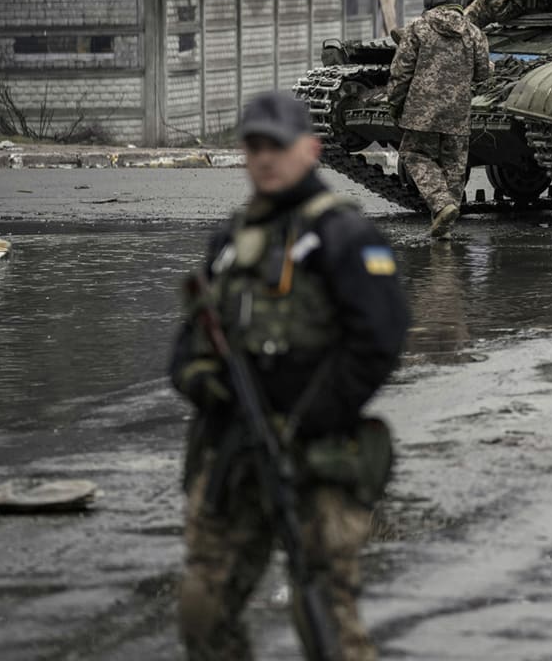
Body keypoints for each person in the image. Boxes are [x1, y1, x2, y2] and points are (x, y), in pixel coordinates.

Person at [169, 89, 411, 661]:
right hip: (235, 451)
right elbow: (190, 342)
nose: (264, 159)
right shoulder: (232, 240)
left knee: (325, 618)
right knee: (203, 610)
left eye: (275, 146)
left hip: (317, 454)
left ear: (310, 149)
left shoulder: (343, 235)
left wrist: (310, 415)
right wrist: (207, 383)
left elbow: (379, 341)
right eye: (253, 147)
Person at [388, 0, 490, 237]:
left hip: (421, 113)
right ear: (460, 2)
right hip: (457, 114)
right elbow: (481, 74)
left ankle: (441, 205)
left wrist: (394, 105)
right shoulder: (474, 32)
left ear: (430, 1)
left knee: (414, 154)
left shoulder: (417, 29)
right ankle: (445, 222)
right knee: (454, 166)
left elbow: (400, 73)